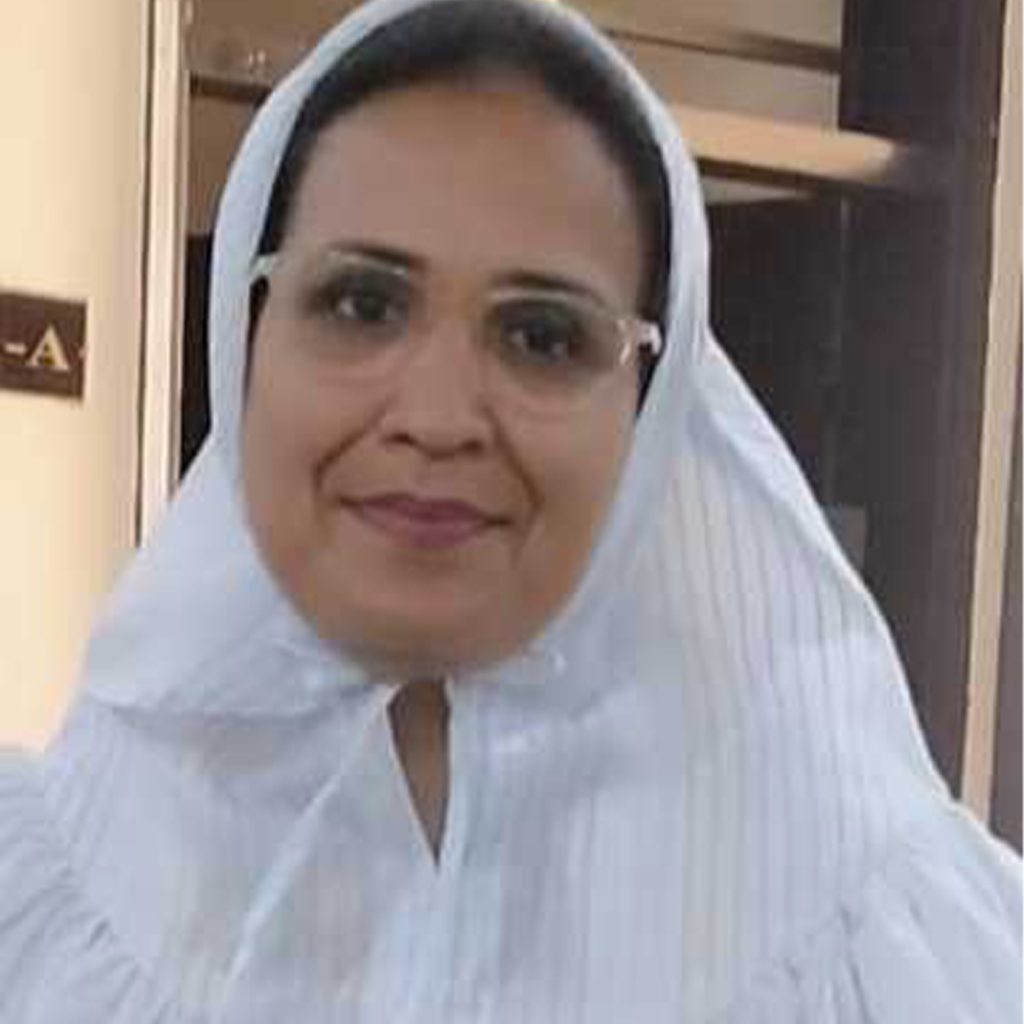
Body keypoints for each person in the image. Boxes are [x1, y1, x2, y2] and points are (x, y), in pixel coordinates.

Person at [0, 0, 1019, 1020]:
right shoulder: (44, 900)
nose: (438, 416)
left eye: (542, 336)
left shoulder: (884, 953)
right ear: (245, 330)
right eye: (361, 303)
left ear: (653, 403)